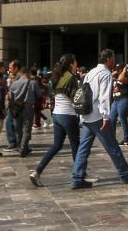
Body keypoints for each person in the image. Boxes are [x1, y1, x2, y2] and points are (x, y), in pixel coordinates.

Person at [71, 49, 128, 189]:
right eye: (113, 58)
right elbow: (103, 97)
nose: (114, 61)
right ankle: (124, 173)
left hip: (87, 115)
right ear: (109, 59)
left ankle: (77, 177)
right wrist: (106, 117)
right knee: (112, 146)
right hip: (98, 116)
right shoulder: (105, 74)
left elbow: (82, 93)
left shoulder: (90, 73)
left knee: (83, 148)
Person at [30, 54, 81, 187]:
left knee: (56, 146)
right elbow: (74, 98)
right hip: (68, 115)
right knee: (76, 146)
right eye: (75, 63)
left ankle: (37, 171)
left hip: (57, 115)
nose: (77, 65)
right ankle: (79, 175)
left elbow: (51, 93)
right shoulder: (71, 77)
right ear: (71, 64)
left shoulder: (55, 76)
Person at [9, 66, 42, 157]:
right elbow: (39, 94)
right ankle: (23, 148)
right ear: (28, 73)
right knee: (27, 128)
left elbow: (10, 97)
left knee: (18, 129)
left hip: (16, 108)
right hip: (28, 107)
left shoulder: (14, 83)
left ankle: (22, 147)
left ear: (20, 73)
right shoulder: (33, 83)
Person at [109, 61, 128, 146]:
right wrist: (116, 71)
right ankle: (112, 139)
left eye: (119, 69)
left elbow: (120, 79)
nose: (117, 71)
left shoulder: (127, 77)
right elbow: (109, 76)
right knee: (111, 119)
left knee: (123, 120)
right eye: (116, 69)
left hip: (123, 99)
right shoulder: (116, 75)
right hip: (116, 100)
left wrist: (123, 71)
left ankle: (126, 140)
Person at [3, 60, 22, 152]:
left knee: (16, 124)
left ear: (16, 68)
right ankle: (13, 142)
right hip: (11, 104)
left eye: (11, 68)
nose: (9, 70)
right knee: (9, 122)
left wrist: (13, 80)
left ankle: (18, 143)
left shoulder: (20, 78)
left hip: (18, 104)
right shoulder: (10, 78)